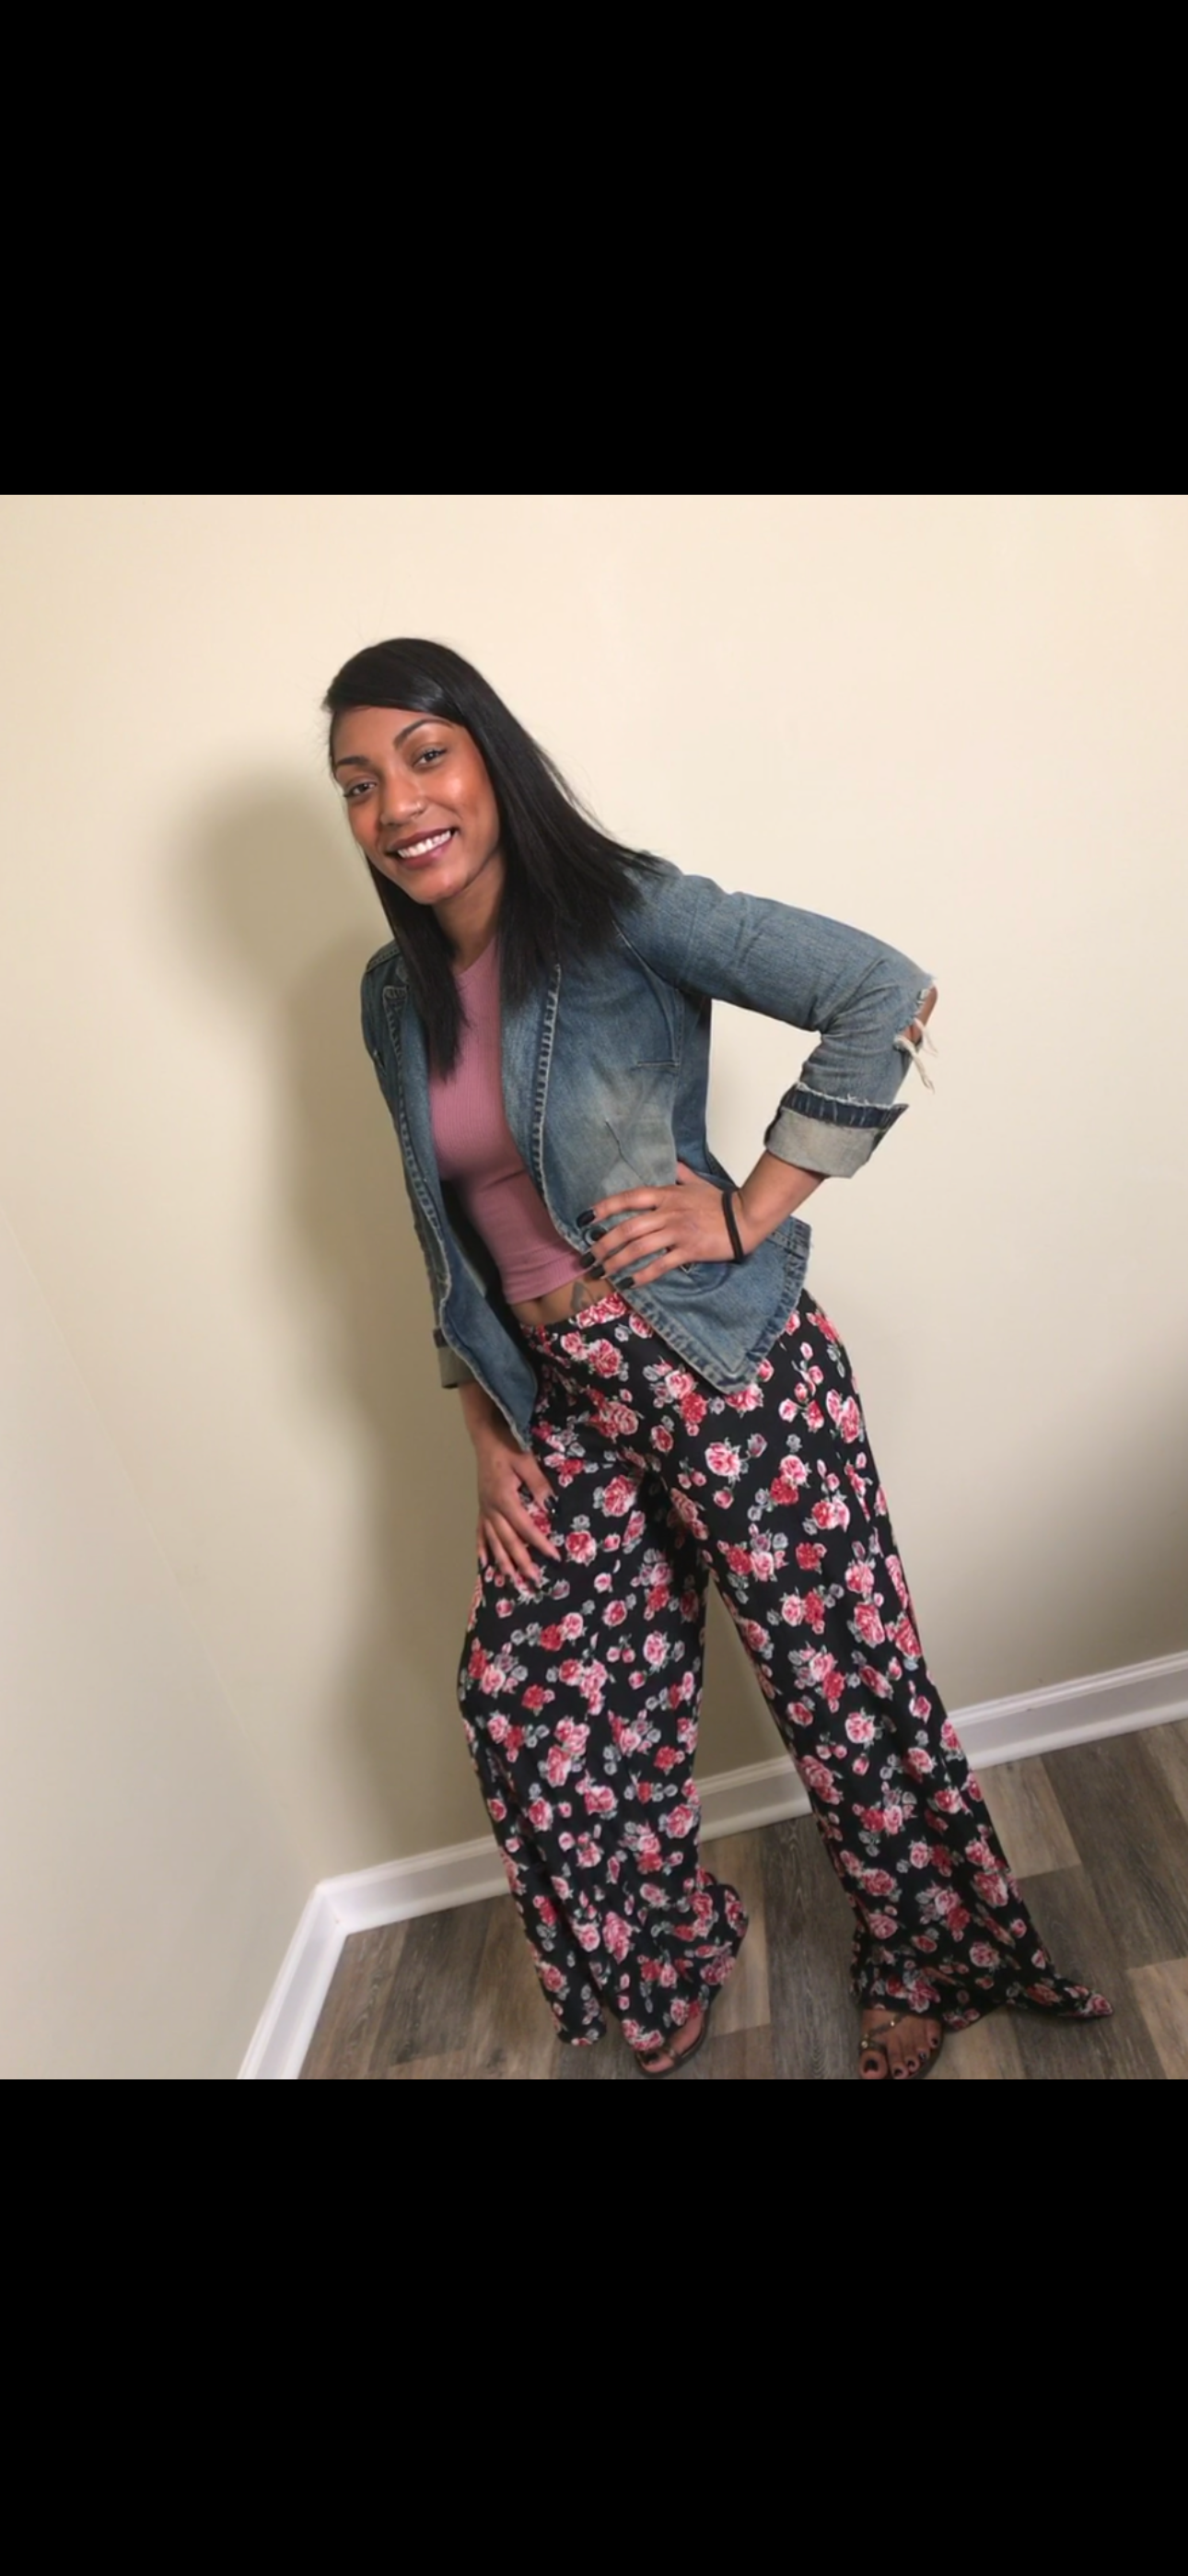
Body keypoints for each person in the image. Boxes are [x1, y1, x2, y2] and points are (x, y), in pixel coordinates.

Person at [329, 638, 1112, 2079]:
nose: (396, 805)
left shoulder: (620, 910)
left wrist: (750, 1207)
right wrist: (484, 1423)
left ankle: (929, 1963)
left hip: (721, 1366)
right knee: (531, 1699)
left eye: (424, 757)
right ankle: (665, 1943)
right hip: (559, 1397)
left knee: (841, 1686)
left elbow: (881, 989)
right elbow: (444, 1227)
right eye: (358, 784)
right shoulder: (393, 994)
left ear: (488, 757)